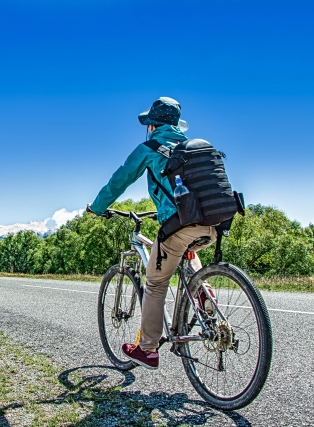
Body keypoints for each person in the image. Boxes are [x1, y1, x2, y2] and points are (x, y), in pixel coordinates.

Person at [87, 97, 216, 370]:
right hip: (212, 223)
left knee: (156, 283)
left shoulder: (150, 147)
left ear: (152, 125)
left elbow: (118, 181)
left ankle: (147, 350)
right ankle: (203, 292)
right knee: (185, 250)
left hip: (178, 225)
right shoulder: (191, 148)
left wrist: (97, 208)